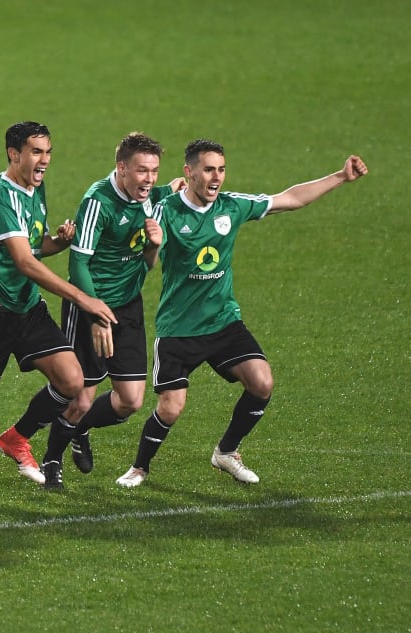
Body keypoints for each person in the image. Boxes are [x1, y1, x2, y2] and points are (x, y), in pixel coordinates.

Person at [116, 141, 369, 488]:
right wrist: (151, 245)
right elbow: (141, 252)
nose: (216, 177)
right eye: (208, 170)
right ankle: (140, 467)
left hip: (223, 322)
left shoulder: (232, 206)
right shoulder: (166, 210)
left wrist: (341, 176)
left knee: (262, 382)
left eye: (221, 169)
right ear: (189, 172)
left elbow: (290, 199)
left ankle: (226, 452)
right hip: (179, 327)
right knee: (171, 408)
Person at [0, 121, 116, 491]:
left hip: (27, 308)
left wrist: (57, 242)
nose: (44, 160)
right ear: (15, 154)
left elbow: (32, 245)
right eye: (36, 152)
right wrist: (83, 298)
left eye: (48, 152)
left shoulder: (34, 188)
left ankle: (17, 437)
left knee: (72, 380)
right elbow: (24, 262)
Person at [19, 133, 183, 489]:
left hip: (128, 306)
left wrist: (155, 245)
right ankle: (51, 460)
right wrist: (95, 314)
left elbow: (148, 260)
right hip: (89, 304)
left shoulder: (151, 199)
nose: (149, 179)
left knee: (130, 400)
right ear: (121, 168)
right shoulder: (97, 202)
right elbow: (79, 264)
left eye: (154, 171)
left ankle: (80, 430)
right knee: (80, 398)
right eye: (142, 171)